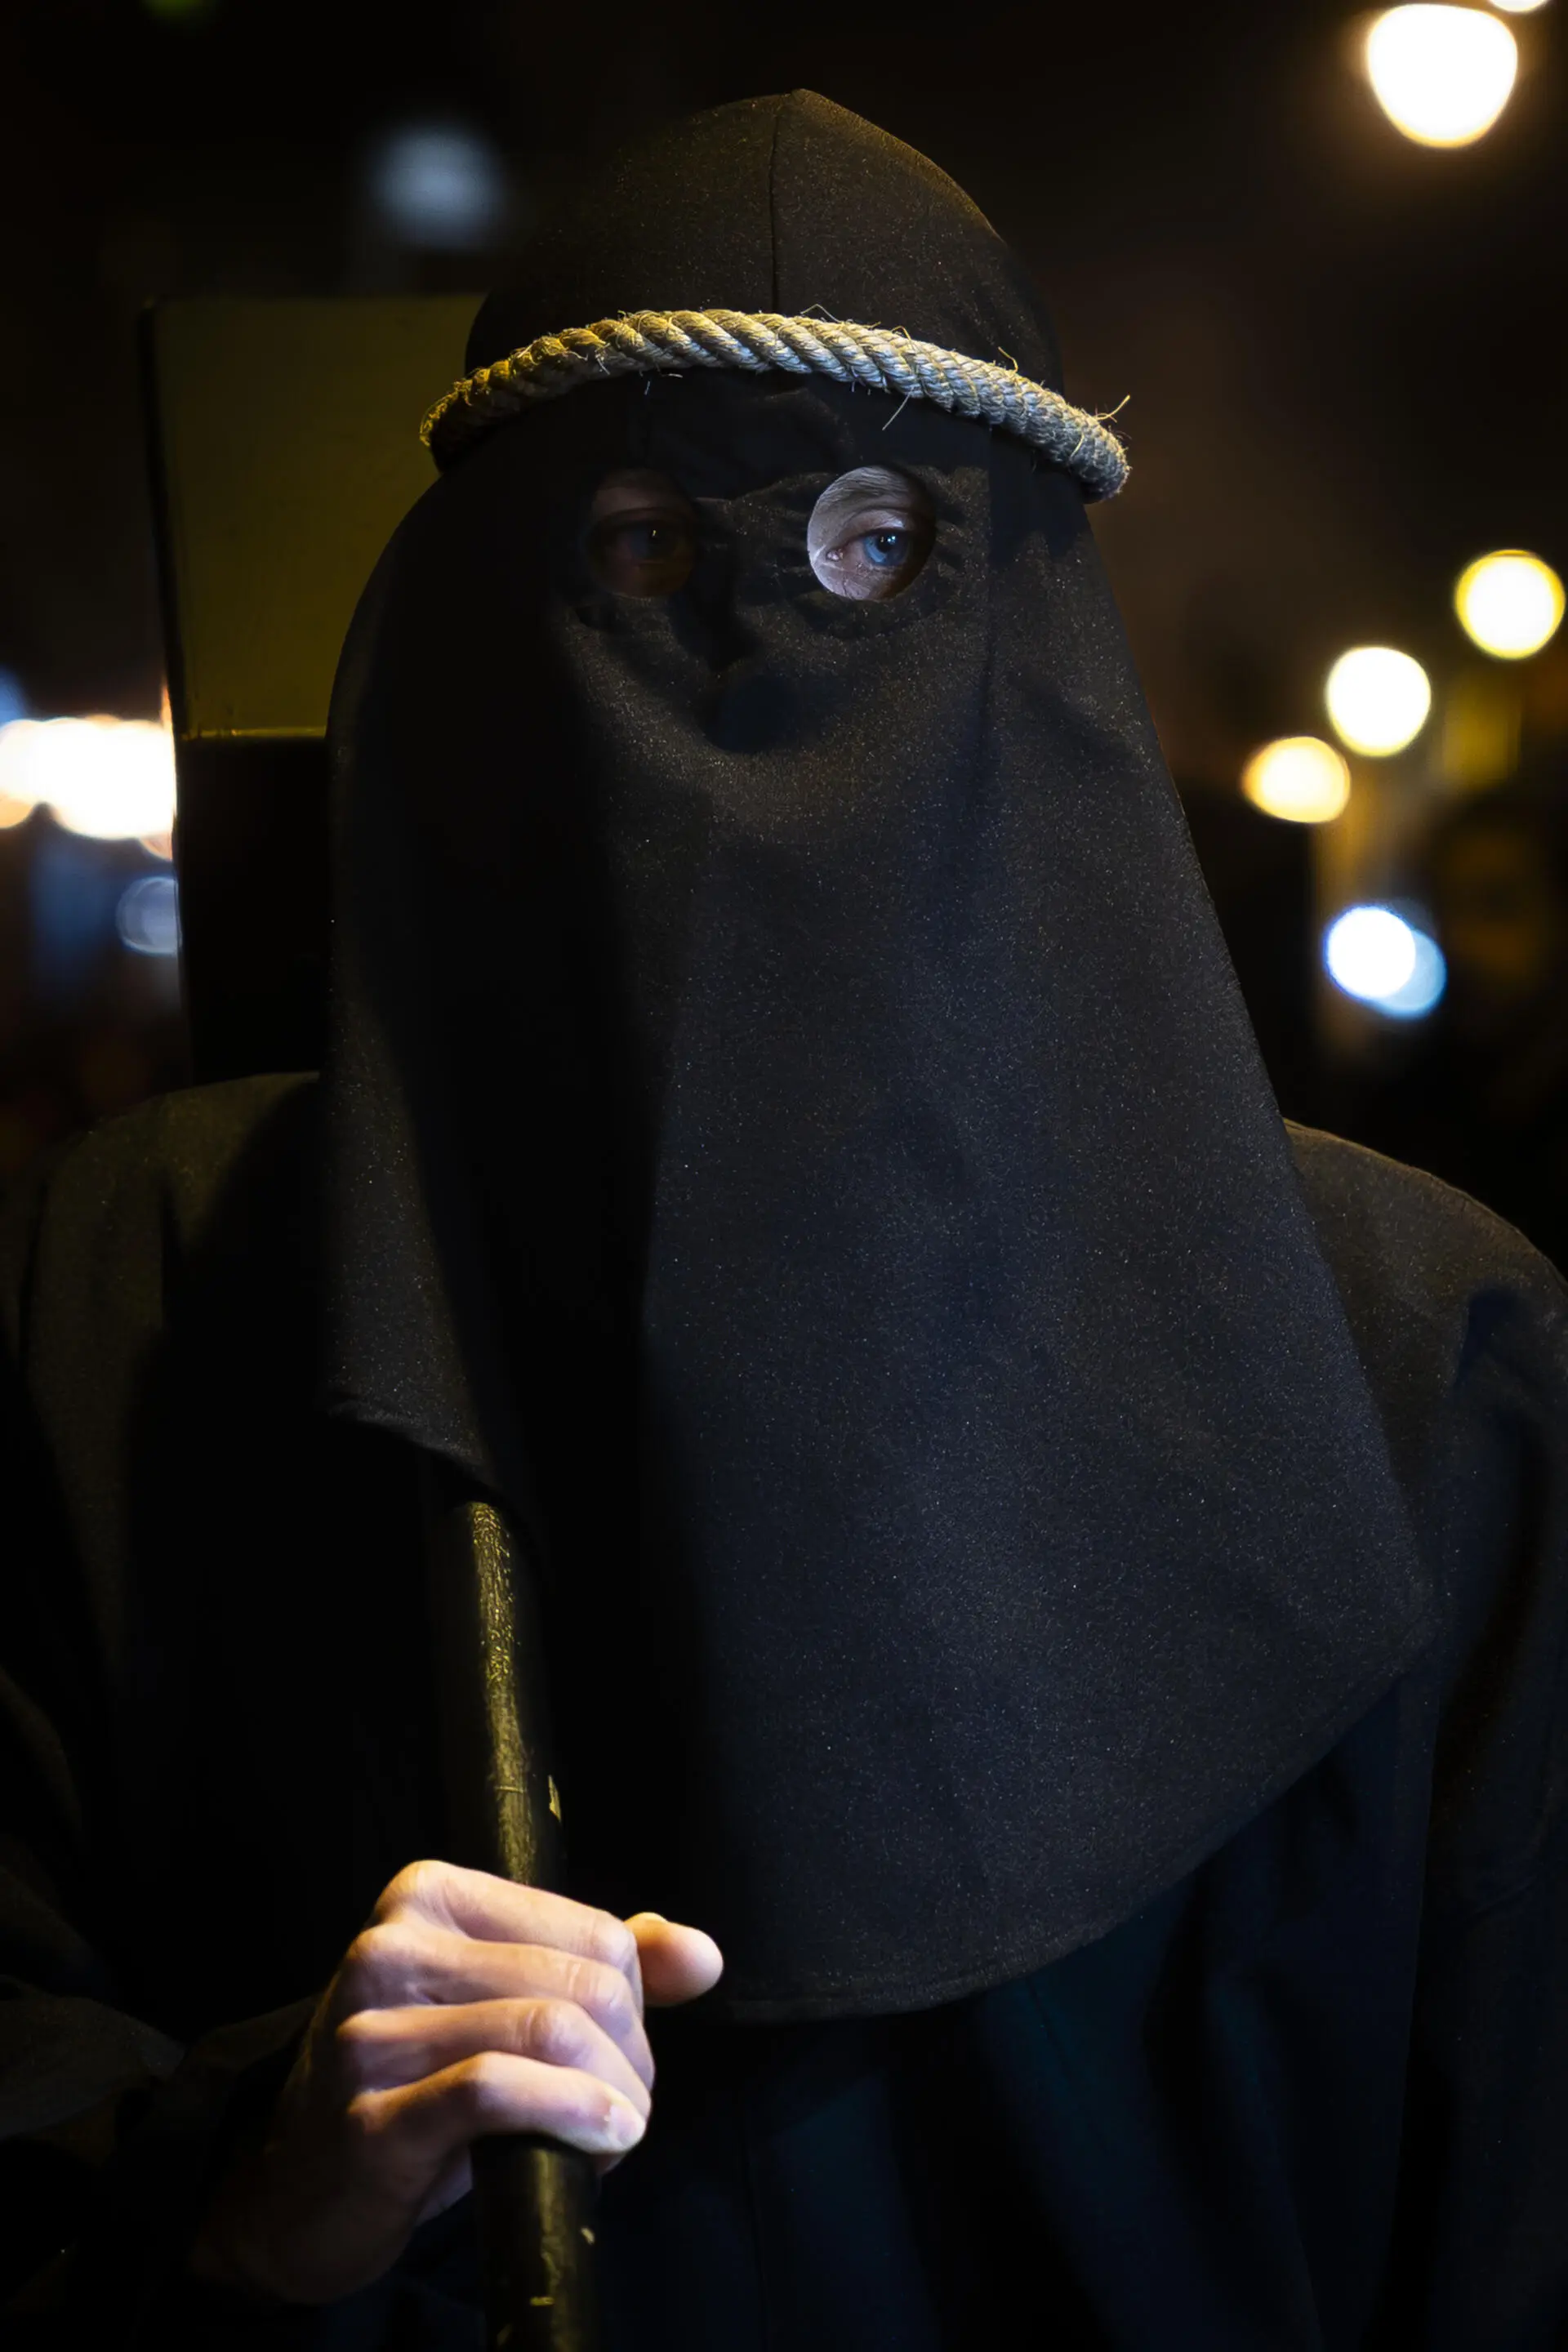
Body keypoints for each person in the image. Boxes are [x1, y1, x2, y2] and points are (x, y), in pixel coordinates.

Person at [4, 90, 1568, 2350]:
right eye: (642, 552)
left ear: (1034, 630)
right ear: (480, 624)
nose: (749, 662)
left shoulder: (1429, 1361)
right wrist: (245, 2181)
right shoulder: (136, 1293)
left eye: (873, 549)